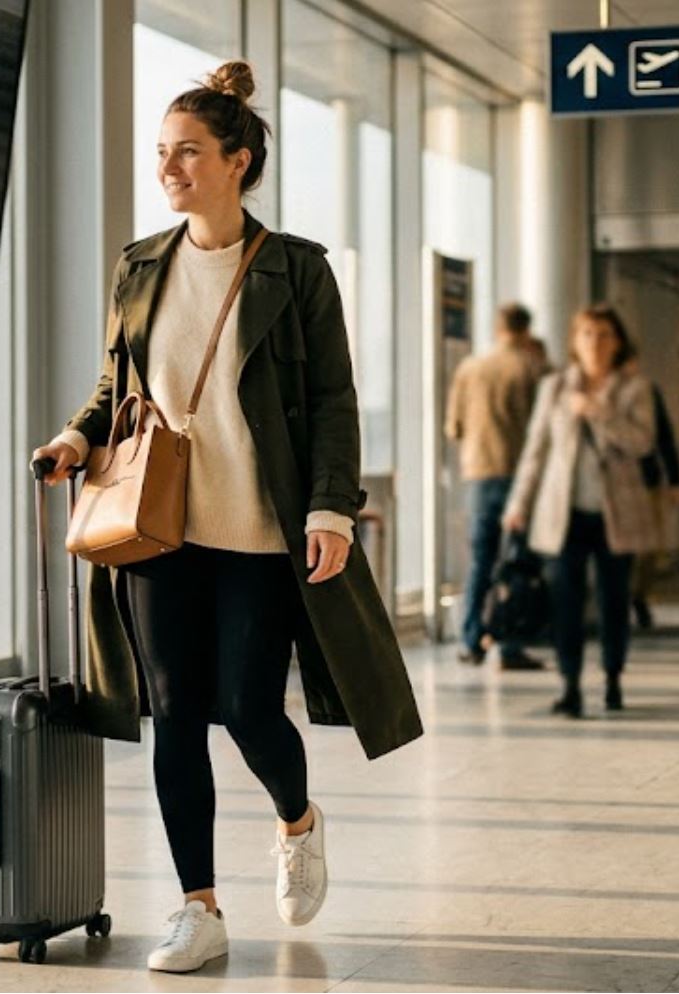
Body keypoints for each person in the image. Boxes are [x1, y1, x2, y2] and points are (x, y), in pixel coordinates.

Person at [30, 61, 422, 975]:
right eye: (162, 153)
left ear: (238, 162)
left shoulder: (297, 270)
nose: (169, 168)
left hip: (258, 529)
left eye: (189, 153)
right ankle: (197, 907)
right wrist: (74, 441)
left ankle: (298, 819)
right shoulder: (140, 266)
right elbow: (114, 388)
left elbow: (333, 396)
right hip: (158, 528)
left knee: (248, 707)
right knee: (174, 713)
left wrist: (332, 508)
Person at [502, 305, 658, 718]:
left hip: (616, 515)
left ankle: (612, 678)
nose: (595, 342)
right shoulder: (553, 387)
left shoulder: (635, 387)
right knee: (564, 603)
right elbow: (535, 452)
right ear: (574, 340)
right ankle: (569, 684)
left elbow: (642, 442)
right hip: (563, 514)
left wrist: (598, 411)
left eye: (604, 334)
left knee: (613, 601)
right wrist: (518, 504)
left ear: (618, 341)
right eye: (587, 334)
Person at [445, 302, 547, 669]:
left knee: (480, 562)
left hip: (480, 474)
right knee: (518, 562)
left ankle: (471, 640)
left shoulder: (470, 369)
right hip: (521, 477)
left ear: (496, 327)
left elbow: (453, 427)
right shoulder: (534, 369)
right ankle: (511, 643)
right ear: (525, 330)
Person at [631, 384, 679, 631]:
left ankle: (638, 596)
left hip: (646, 480)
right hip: (608, 486)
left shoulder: (647, 393)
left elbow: (664, 436)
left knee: (649, 547)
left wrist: (675, 479)